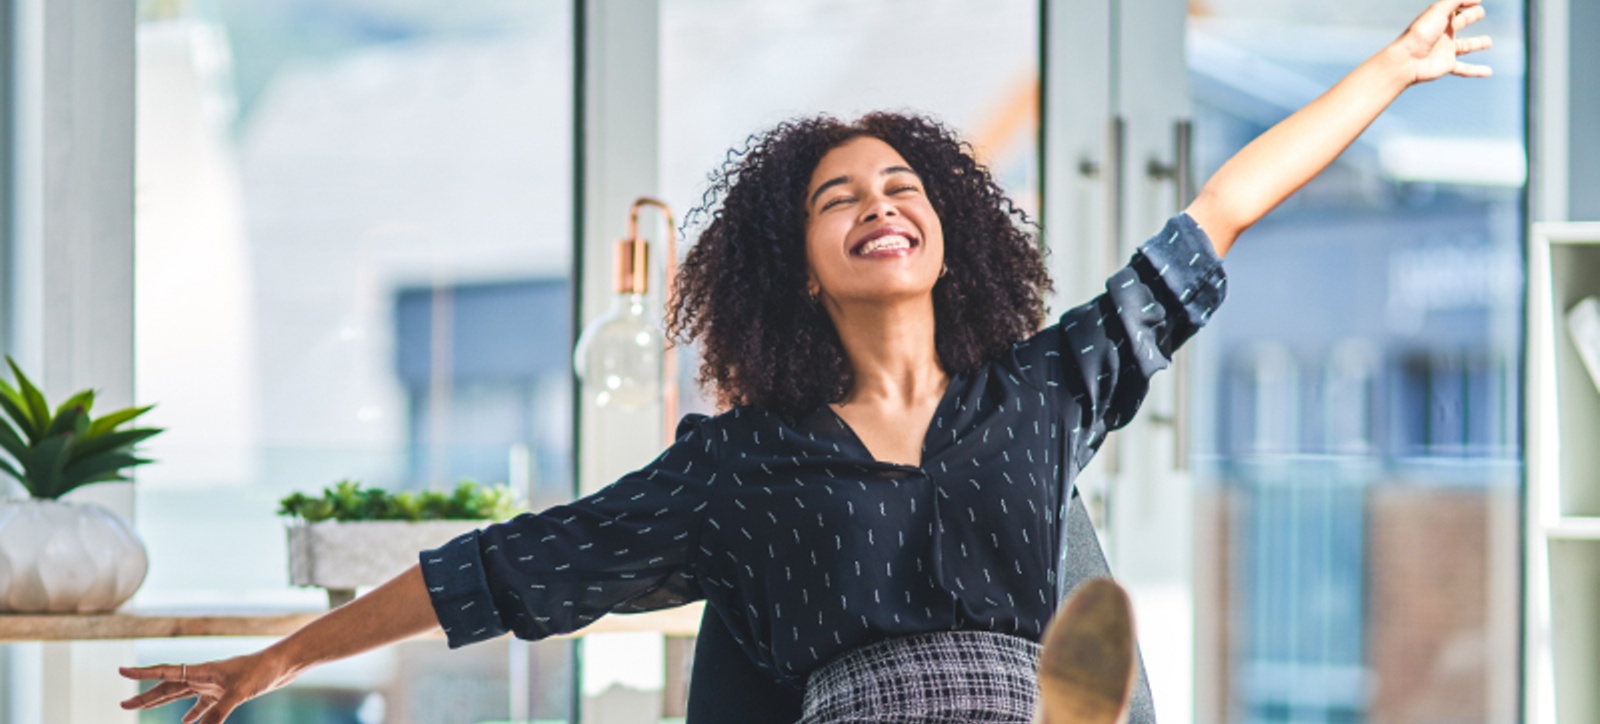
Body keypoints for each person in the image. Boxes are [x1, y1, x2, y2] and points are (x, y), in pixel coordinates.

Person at [120, 2, 1491, 722]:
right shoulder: (741, 464)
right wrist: (277, 661)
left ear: (950, 232)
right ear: (801, 262)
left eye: (903, 185)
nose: (879, 204)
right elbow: (506, 569)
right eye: (840, 199)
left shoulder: (1044, 391)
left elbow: (1223, 212)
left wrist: (1390, 69)